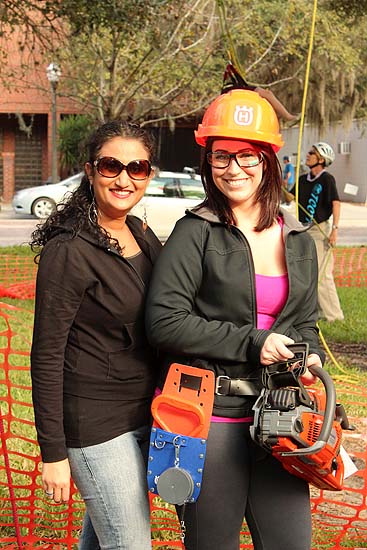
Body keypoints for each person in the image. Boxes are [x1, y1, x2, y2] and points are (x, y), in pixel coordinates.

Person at [145, 89, 325, 550]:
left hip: (281, 417)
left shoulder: (299, 235)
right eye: (221, 156)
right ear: (208, 161)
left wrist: (310, 359)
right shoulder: (195, 231)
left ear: (267, 160)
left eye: (247, 155)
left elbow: (305, 323)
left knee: (291, 544)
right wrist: (253, 342)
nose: (233, 168)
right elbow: (164, 321)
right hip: (210, 418)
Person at [30, 120, 162, 549]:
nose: (124, 179)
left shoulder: (142, 234)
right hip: (96, 424)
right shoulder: (69, 250)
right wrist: (53, 452)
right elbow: (46, 356)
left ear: (149, 174)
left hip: (145, 413)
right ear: (90, 171)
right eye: (111, 166)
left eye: (137, 168)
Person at [297, 142, 344, 322]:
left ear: (321, 159)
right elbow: (289, 196)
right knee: (307, 274)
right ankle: (315, 313)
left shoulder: (327, 179)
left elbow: (336, 203)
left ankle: (334, 316)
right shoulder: (302, 179)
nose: (307, 155)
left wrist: (335, 230)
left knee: (322, 274)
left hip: (320, 230)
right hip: (303, 228)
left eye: (311, 153)